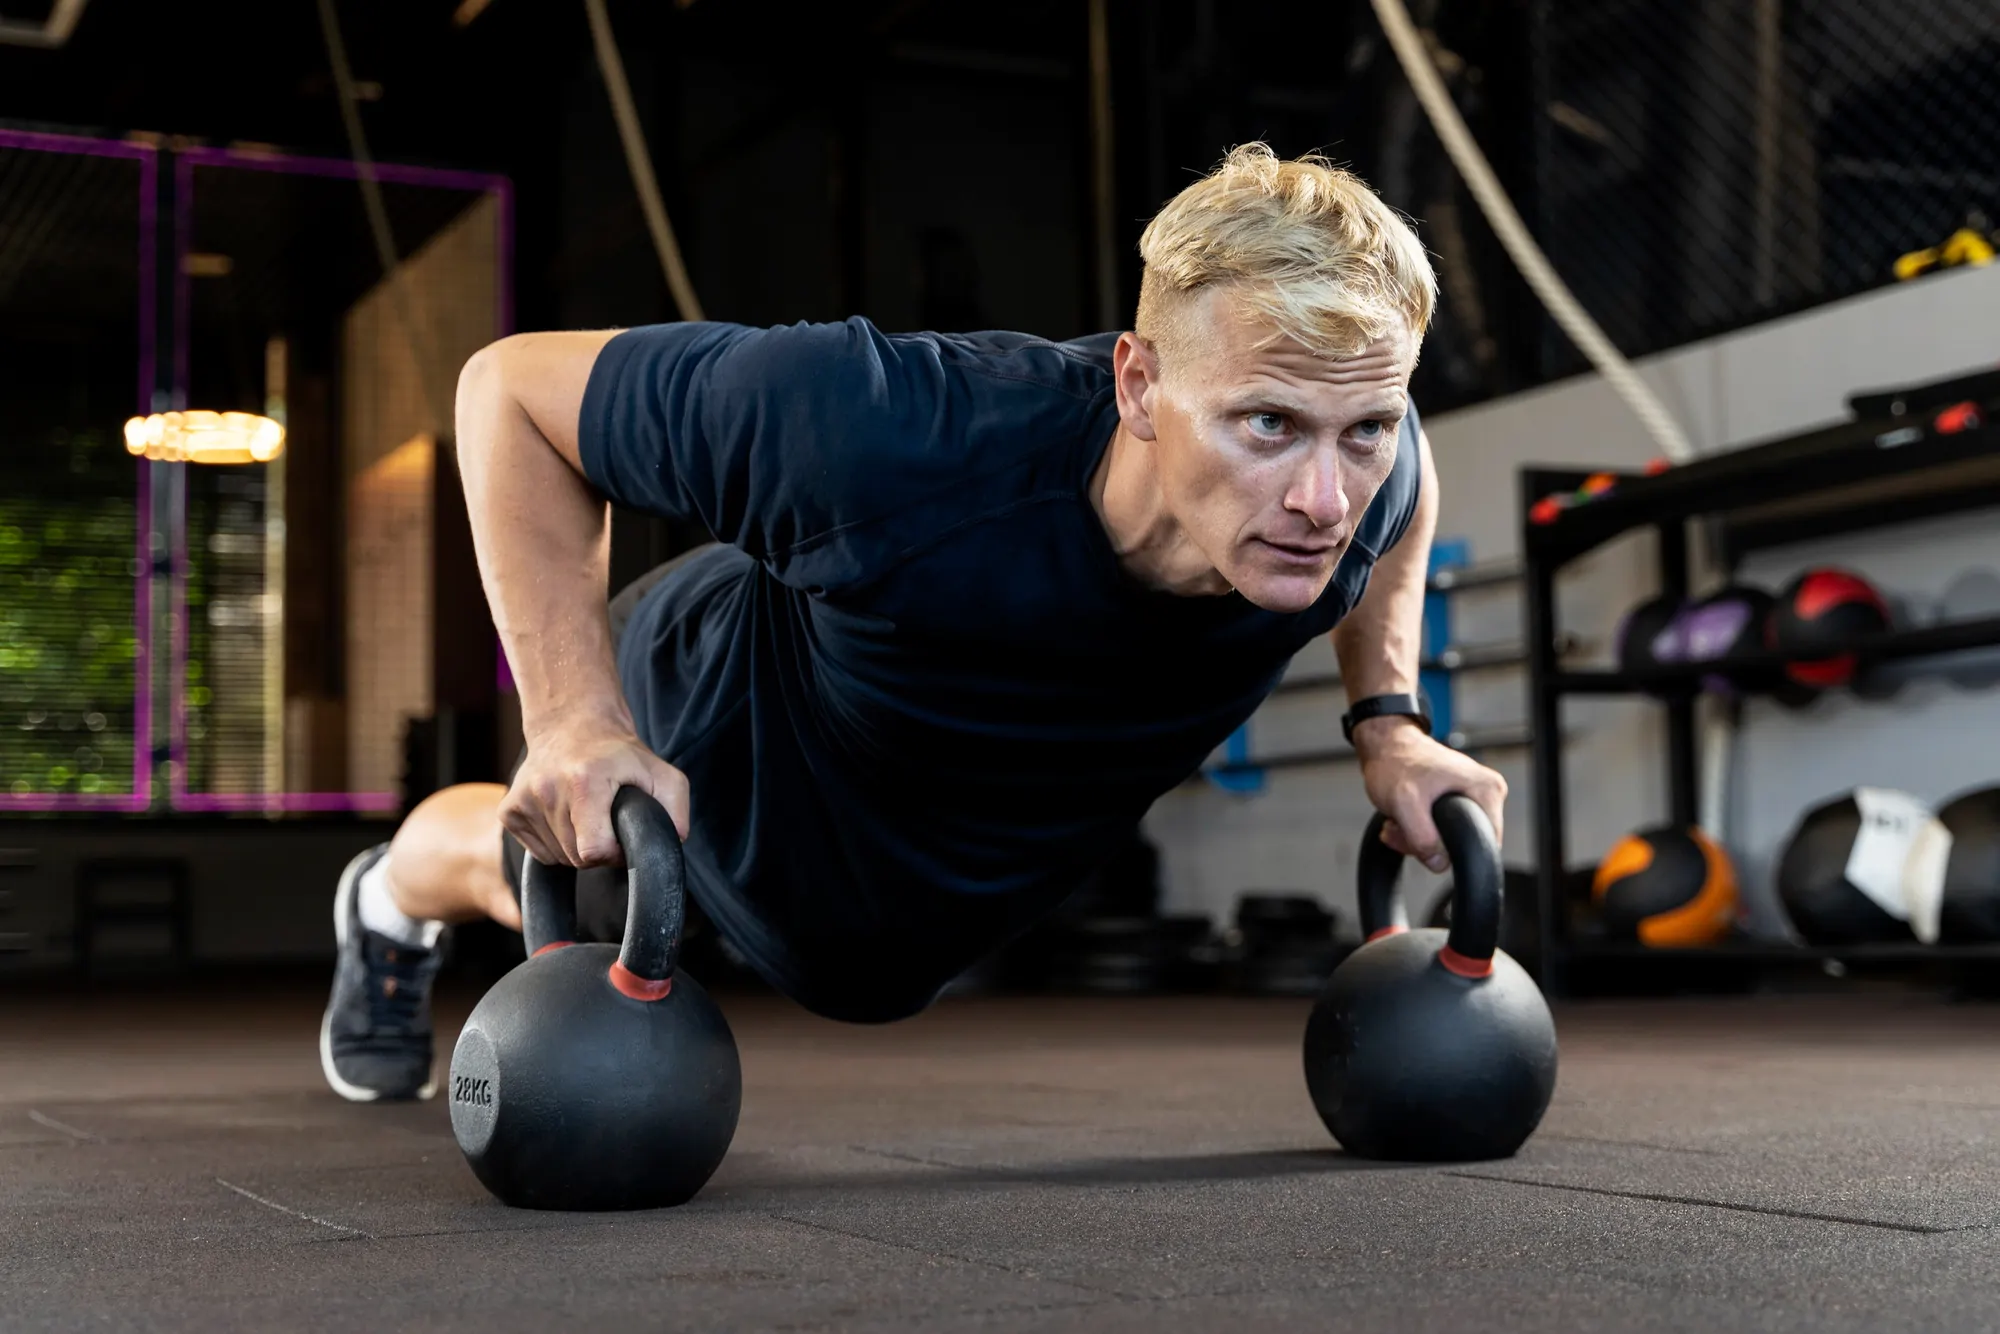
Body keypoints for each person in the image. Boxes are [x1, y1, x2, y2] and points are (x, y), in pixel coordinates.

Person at [319, 143, 1507, 1102]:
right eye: (1263, 425)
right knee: (539, 872)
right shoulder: (883, 429)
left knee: (863, 973)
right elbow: (509, 394)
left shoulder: (1364, 478)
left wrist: (1386, 720)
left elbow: (1406, 491)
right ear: (1138, 384)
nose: (1321, 499)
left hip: (899, 888)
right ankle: (383, 902)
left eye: (1360, 427)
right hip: (719, 734)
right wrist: (573, 720)